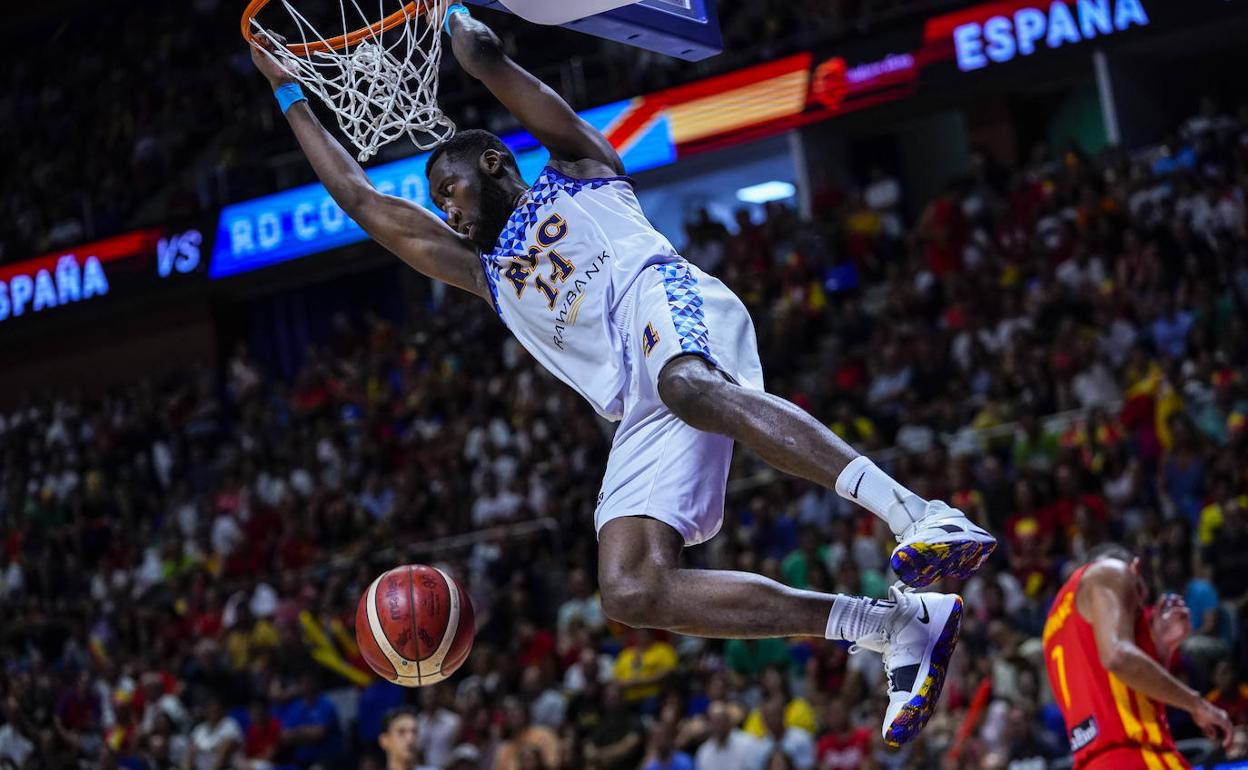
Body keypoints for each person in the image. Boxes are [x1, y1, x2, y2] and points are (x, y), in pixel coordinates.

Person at [248, 4, 996, 745]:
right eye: (438, 203)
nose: (447, 210)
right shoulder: (485, 273)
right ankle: (892, 625)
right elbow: (360, 200)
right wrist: (289, 96)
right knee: (632, 588)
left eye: (452, 190)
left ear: (495, 164)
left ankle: (919, 516)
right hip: (636, 405)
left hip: (668, 304)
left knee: (686, 385)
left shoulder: (579, 168)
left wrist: (463, 35)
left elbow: (489, 60)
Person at [1041, 543, 1232, 769]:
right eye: (1139, 603)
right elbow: (1118, 657)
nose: (1140, 608)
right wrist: (1197, 704)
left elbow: (1115, 690)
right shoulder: (1112, 571)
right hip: (1135, 755)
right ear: (1136, 569)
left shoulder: (1053, 625)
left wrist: (1162, 647)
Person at [694, 701, 760, 770]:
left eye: (720, 721)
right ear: (709, 725)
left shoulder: (748, 743)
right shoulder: (704, 752)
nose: (717, 726)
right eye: (713, 722)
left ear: (729, 721)